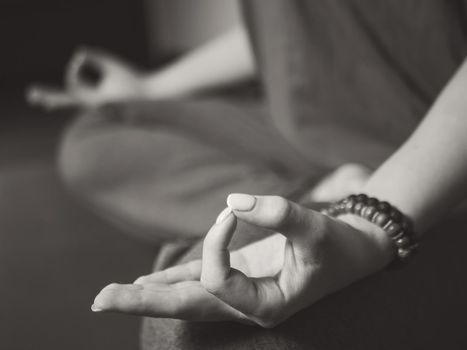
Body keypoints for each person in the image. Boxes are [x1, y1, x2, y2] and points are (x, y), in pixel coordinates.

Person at [28, 0, 467, 347]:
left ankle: (318, 206)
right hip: (296, 127)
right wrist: (152, 87)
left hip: (427, 153)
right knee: (97, 137)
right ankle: (313, 193)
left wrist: (369, 224)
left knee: (191, 335)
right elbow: (290, 25)